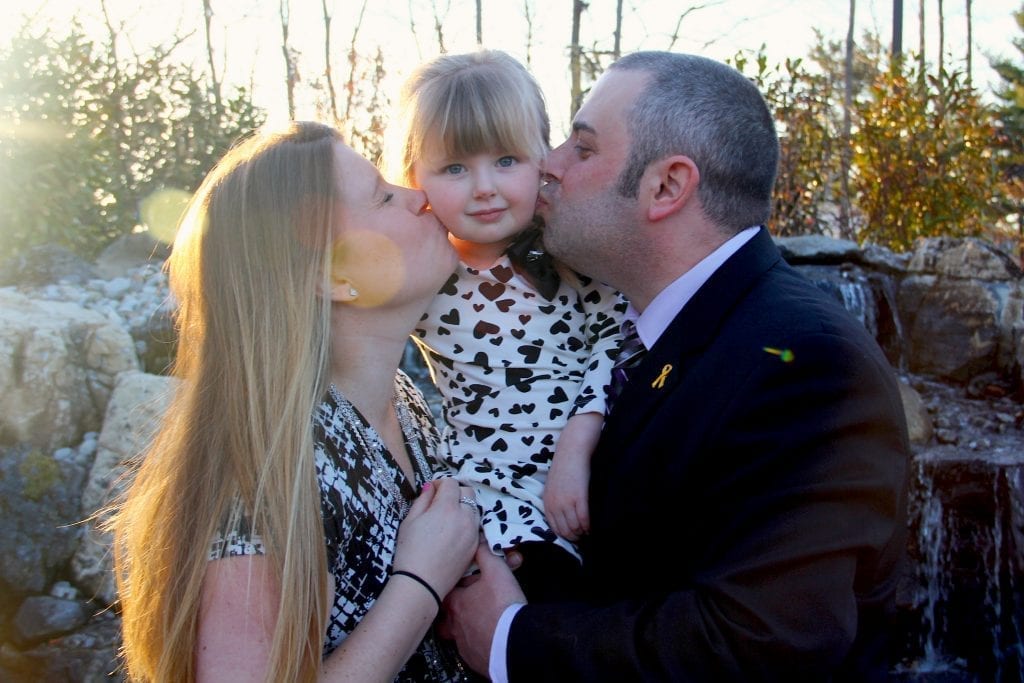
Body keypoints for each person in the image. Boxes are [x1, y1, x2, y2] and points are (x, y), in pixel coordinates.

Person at [442, 51, 911, 681]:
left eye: (581, 149)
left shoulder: (806, 363)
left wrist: (510, 639)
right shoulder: (643, 329)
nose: (546, 164)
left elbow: (765, 642)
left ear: (666, 187)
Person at [110, 121, 481, 682]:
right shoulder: (263, 483)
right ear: (332, 276)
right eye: (383, 196)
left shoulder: (401, 403)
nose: (420, 196)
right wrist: (421, 583)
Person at [387, 50, 626, 600]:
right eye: (454, 168)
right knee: (525, 594)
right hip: (492, 495)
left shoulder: (566, 252)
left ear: (543, 158)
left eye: (507, 160)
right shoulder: (425, 271)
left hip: (594, 466)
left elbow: (618, 338)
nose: (484, 187)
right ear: (412, 177)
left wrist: (579, 441)